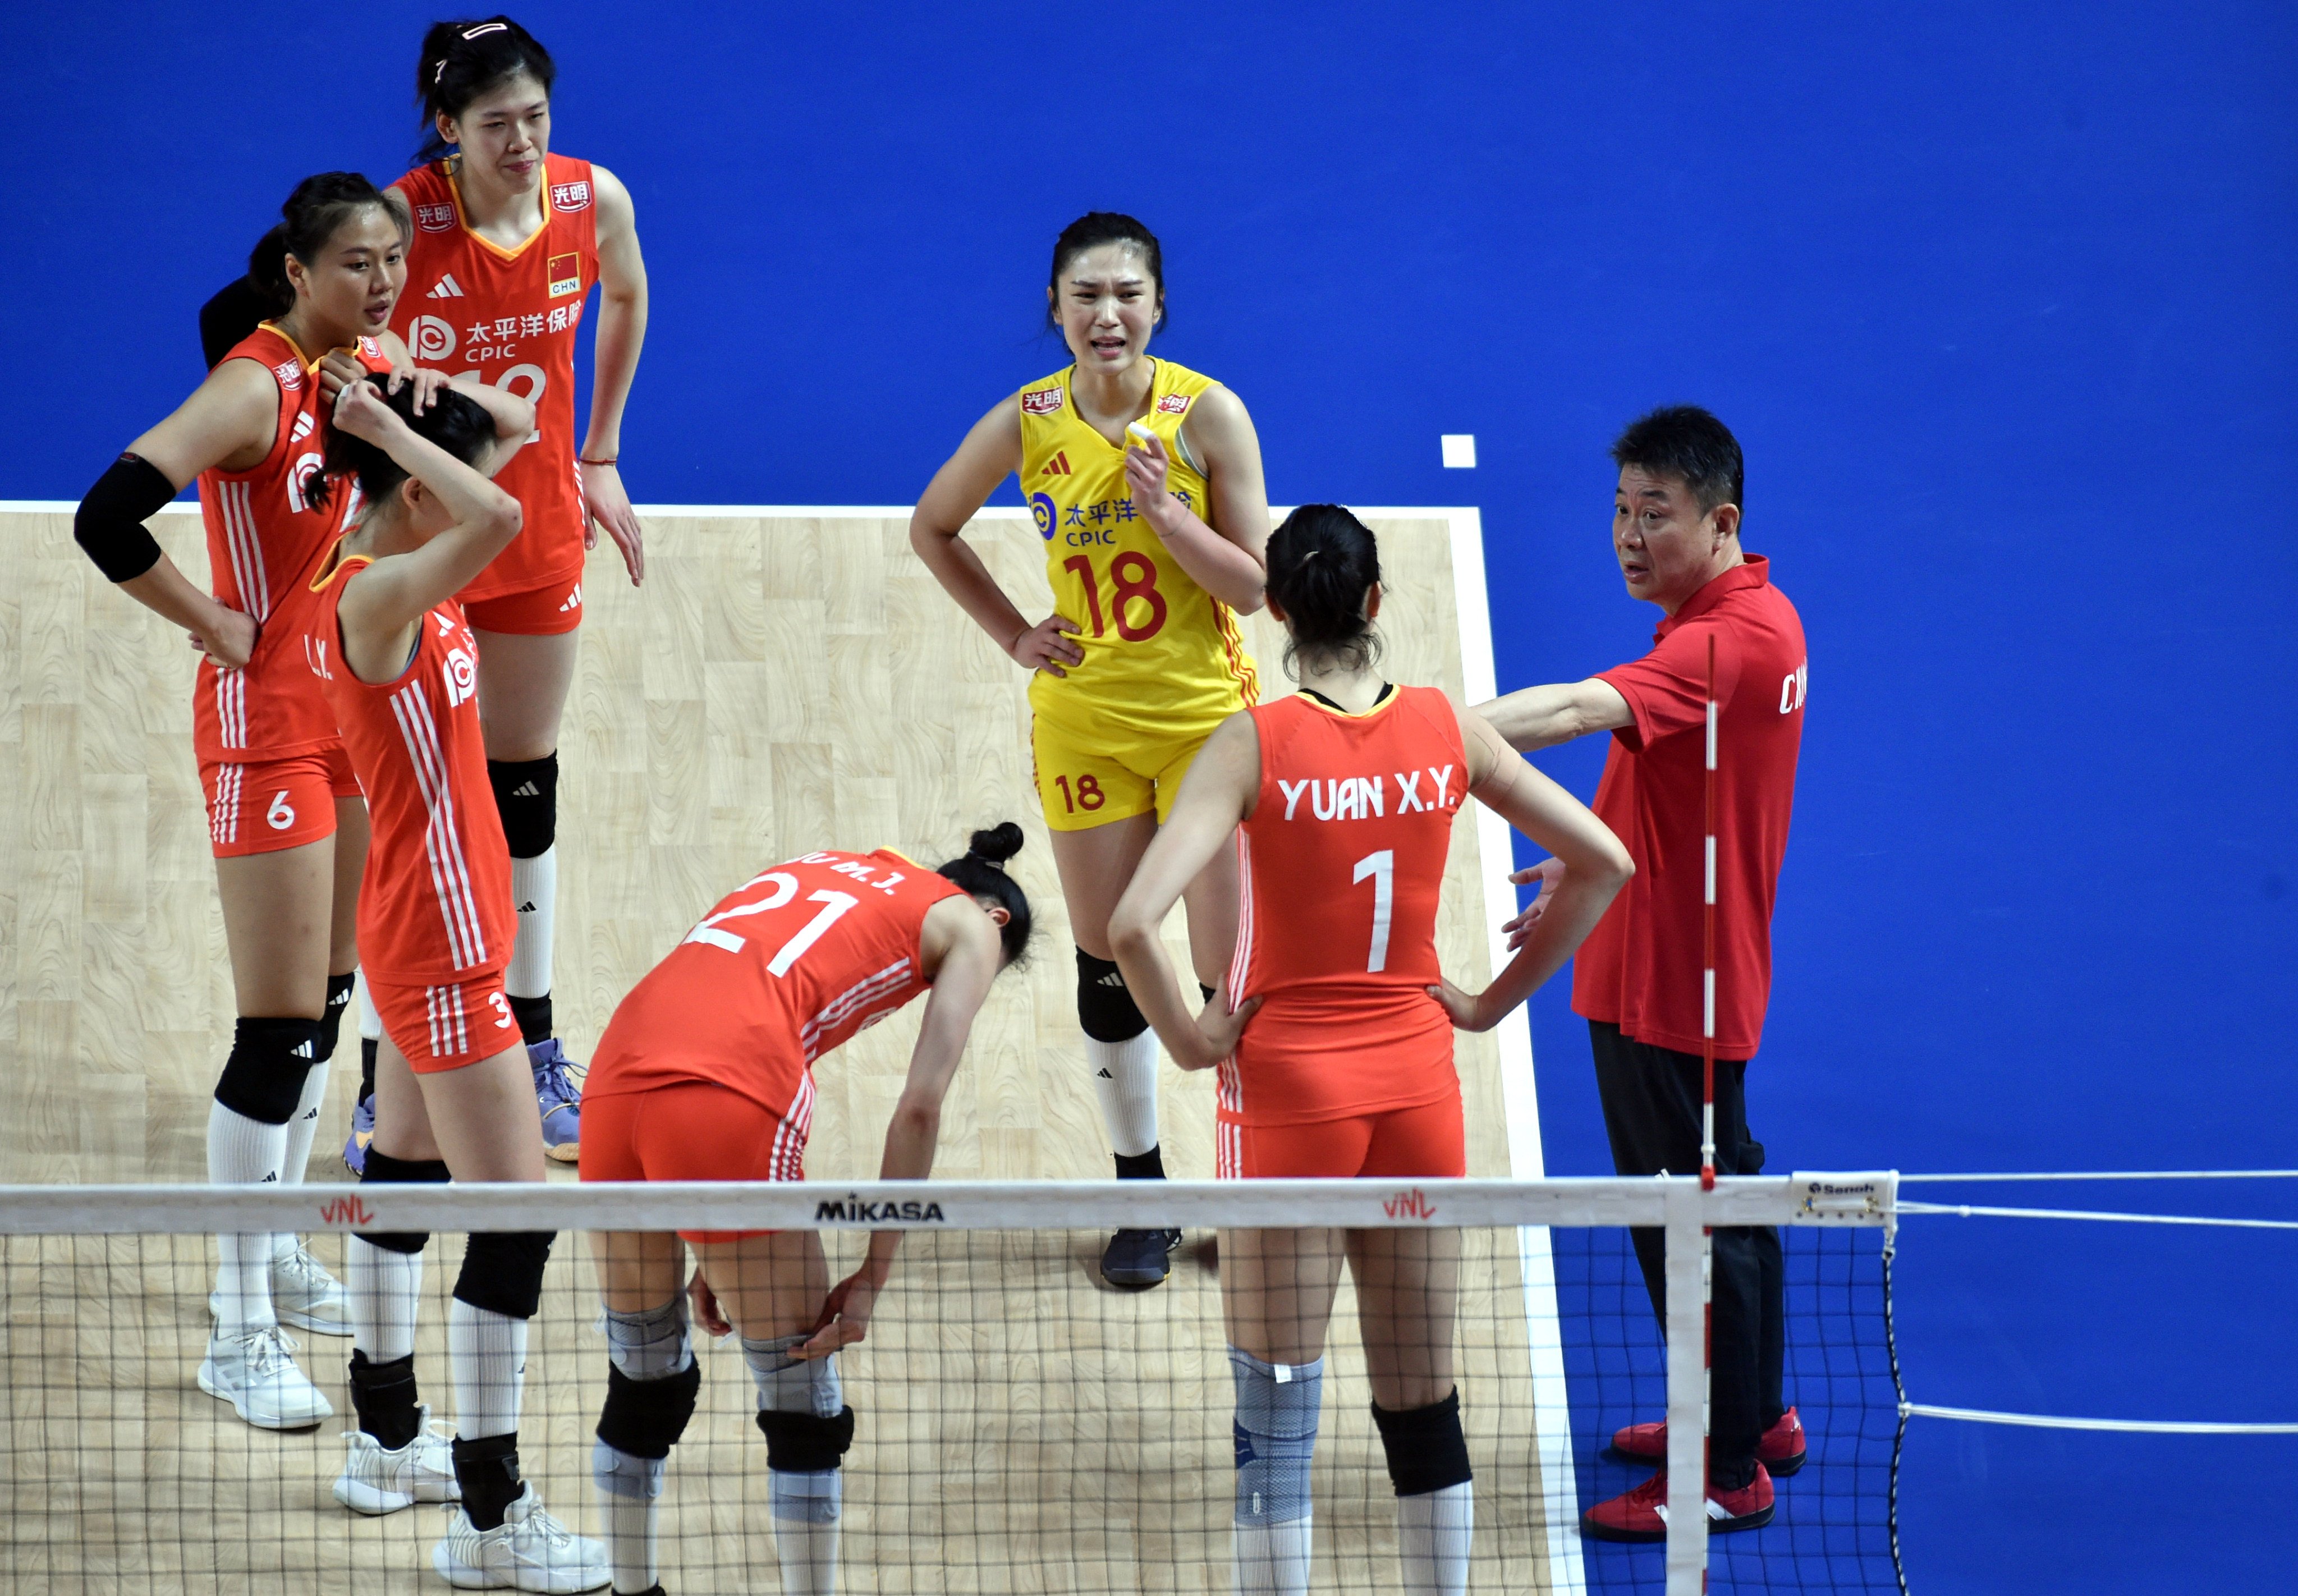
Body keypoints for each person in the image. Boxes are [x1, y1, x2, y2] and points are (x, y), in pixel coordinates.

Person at [1106, 506, 1632, 1595]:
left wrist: (1195, 1042)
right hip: (1416, 1097)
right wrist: (1486, 1005)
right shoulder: (1444, 729)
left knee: (1276, 1415)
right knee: (1420, 1402)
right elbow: (1601, 861)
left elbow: (1127, 925)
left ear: (1281, 612)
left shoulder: (1250, 742)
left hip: (1287, 1101)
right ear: (1375, 605)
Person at [71, 172, 426, 1431]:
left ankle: (275, 1241)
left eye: (391, 261)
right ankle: (237, 1326)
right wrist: (216, 621)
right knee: (274, 1031)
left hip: (351, 717)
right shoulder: (252, 387)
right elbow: (107, 514)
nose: (381, 285)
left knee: (331, 1005)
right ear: (297, 272)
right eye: (355, 266)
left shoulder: (364, 369)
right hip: (264, 732)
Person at [911, 212, 1268, 1288]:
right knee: (1110, 965)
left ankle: (1251, 1192)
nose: (1106, 315)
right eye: (1085, 297)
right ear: (1056, 311)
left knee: (1226, 974)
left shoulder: (1210, 415)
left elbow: (1255, 585)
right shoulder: (1027, 421)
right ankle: (1142, 1192)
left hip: (1210, 725)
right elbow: (934, 526)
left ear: (1158, 307)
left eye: (1126, 295)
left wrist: (1169, 517)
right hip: (1087, 724)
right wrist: (1017, 633)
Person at [1478, 406, 1809, 1542]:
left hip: (1679, 987)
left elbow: (1574, 711)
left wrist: (1413, 738)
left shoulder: (1723, 644)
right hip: (1659, 955)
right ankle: (1751, 1411)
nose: (1625, 537)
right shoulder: (1735, 619)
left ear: (1720, 523)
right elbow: (1673, 783)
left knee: (1693, 1221)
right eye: (1618, 511)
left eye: (1652, 516)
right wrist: (1575, 873)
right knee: (1720, 1201)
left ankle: (1724, 1471)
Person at [305, 372, 611, 1592]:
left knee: (404, 1174)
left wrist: (409, 390)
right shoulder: (381, 592)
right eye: (452, 472)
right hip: (441, 946)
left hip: (424, 927)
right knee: (518, 1214)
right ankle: (491, 1519)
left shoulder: (386, 556)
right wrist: (389, 428)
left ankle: (385, 1442)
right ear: (420, 487)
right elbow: (499, 516)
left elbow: (524, 430)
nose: (493, 482)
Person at [341, 13, 652, 1170]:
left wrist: (600, 449)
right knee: (411, 803)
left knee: (523, 786)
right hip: (423, 529)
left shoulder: (592, 200)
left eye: (536, 119)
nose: (522, 143)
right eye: (494, 125)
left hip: (533, 535)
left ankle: (532, 1044)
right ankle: (385, 1079)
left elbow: (625, 300)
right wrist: (464, 398)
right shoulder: (404, 220)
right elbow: (345, 350)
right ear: (444, 127)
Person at [577, 824, 1035, 1596]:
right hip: (734, 1093)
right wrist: (872, 1277)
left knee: (645, 1379)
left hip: (614, 1082)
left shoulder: (833, 865)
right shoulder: (972, 927)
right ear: (998, 919)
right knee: (803, 1400)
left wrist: (710, 1234)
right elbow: (918, 1111)